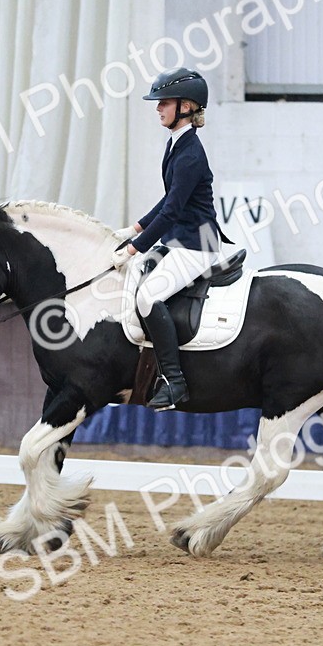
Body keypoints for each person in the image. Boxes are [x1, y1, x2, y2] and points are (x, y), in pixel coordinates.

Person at [110, 67, 225, 410]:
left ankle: (175, 382)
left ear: (186, 106)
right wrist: (134, 229)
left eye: (164, 103)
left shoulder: (190, 154)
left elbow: (172, 211)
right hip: (180, 240)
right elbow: (169, 199)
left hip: (197, 244)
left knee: (147, 298)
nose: (158, 108)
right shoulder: (177, 144)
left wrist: (133, 249)